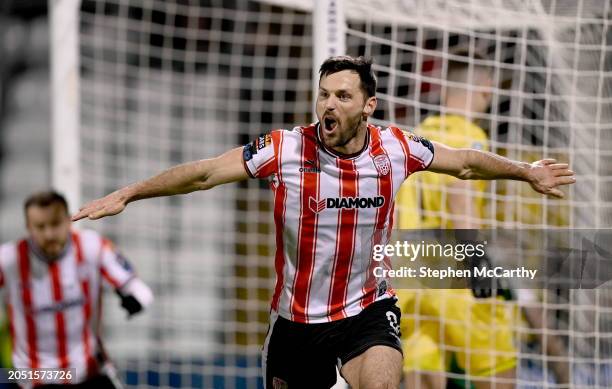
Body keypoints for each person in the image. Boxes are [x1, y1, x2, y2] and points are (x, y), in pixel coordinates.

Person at [73, 55, 575, 389]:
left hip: (368, 311)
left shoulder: (396, 147)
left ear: (367, 106)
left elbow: (466, 162)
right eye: (323, 95)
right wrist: (130, 192)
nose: (329, 105)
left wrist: (526, 172)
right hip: (296, 321)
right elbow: (204, 173)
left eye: (342, 96)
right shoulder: (284, 149)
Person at [395, 54, 518, 388]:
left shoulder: (416, 136)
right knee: (499, 366)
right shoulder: (471, 137)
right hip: (455, 273)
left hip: (411, 275)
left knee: (422, 371)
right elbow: (458, 197)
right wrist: (478, 261)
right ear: (486, 88)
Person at [0, 191, 153, 388]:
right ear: (28, 228)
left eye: (55, 224)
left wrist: (133, 298)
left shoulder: (92, 246)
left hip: (88, 372)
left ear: (69, 220)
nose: (49, 234)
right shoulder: (9, 259)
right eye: (40, 227)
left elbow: (140, 290)